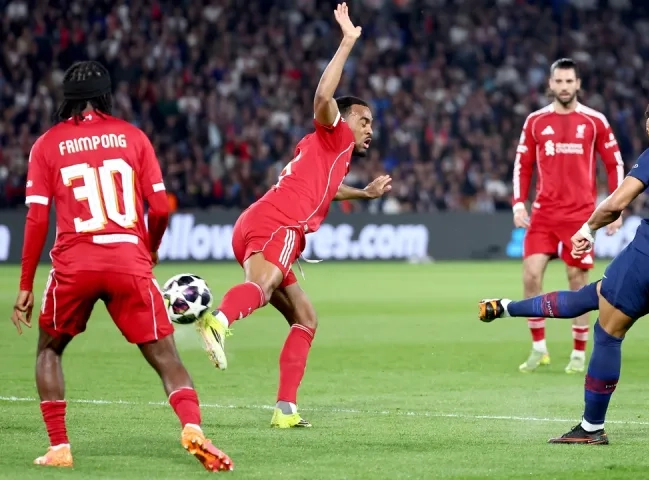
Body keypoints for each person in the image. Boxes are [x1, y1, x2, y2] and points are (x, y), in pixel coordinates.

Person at [10, 60, 232, 472]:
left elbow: (37, 219)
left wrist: (25, 284)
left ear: (67, 100)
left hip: (74, 265)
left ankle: (59, 448)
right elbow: (161, 208)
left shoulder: (46, 144)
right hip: (128, 260)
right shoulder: (133, 137)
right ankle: (193, 430)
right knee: (166, 357)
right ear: (108, 96)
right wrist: (150, 247)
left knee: (49, 350)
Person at [481, 92, 649, 445]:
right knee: (596, 295)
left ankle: (590, 428)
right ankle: (506, 307)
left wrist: (586, 229)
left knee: (608, 331)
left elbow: (617, 202)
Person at [193, 3, 391, 429]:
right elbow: (323, 97)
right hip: (280, 224)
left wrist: (365, 193)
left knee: (305, 318)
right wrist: (347, 42)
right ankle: (218, 320)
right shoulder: (333, 128)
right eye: (365, 120)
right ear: (348, 116)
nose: (370, 129)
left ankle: (285, 409)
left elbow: (327, 189)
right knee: (260, 289)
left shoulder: (330, 153)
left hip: (259, 222)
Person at [511, 58, 625, 374]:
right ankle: (539, 349)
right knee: (531, 274)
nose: (564, 87)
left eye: (569, 81)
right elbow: (523, 165)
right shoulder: (535, 121)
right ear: (550, 85)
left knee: (578, 281)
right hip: (543, 215)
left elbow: (614, 163)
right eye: (558, 82)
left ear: (578, 84)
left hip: (580, 218)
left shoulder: (594, 121)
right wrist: (518, 202)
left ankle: (578, 353)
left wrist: (616, 207)